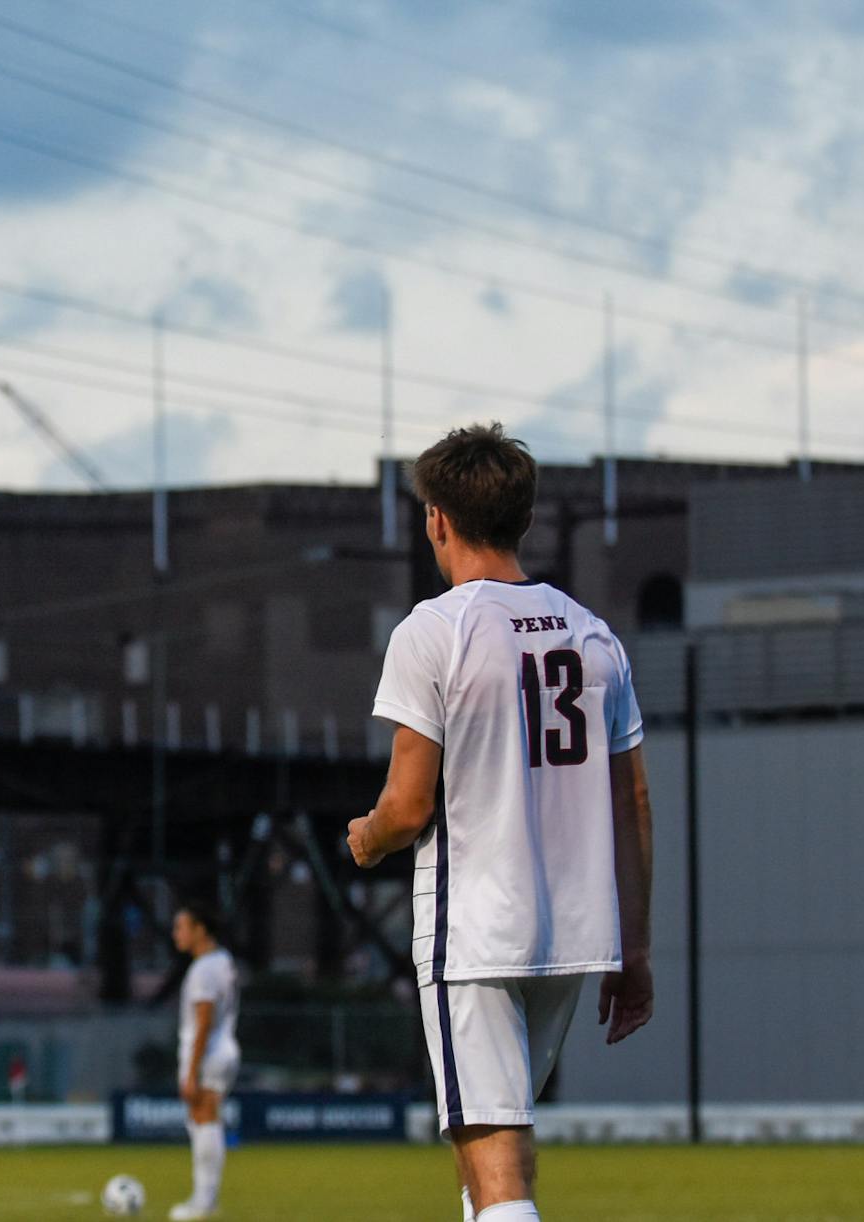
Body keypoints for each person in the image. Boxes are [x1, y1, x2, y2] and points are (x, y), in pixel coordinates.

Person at [348, 424, 654, 1222]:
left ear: (437, 519)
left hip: (477, 928)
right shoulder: (593, 636)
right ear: (523, 519)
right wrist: (636, 948)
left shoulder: (434, 631)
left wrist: (368, 838)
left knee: (496, 1163)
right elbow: (632, 805)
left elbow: (409, 805)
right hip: (572, 933)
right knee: (497, 1152)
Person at [168, 900, 240, 1222]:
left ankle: (204, 1200)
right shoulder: (223, 960)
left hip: (209, 1053)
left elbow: (204, 1019)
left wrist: (192, 1070)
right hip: (223, 1048)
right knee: (203, 1120)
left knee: (205, 1119)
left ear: (200, 929)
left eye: (181, 927)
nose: (176, 934)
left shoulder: (203, 969)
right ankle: (204, 1198)